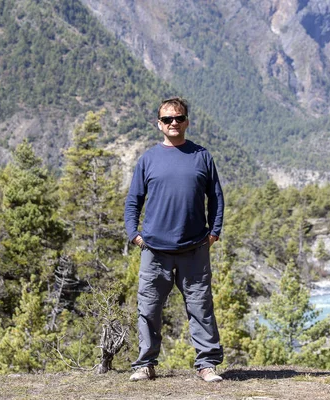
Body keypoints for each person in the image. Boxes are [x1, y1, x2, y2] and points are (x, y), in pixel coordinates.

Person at [124, 97, 225, 383]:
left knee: (201, 307)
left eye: (178, 118)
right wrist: (135, 235)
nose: (173, 123)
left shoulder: (202, 156)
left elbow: (215, 197)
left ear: (187, 122)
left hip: (194, 248)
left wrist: (214, 232)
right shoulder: (148, 159)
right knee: (148, 308)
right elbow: (133, 201)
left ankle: (207, 365)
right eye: (167, 119)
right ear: (159, 124)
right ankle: (145, 365)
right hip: (154, 250)